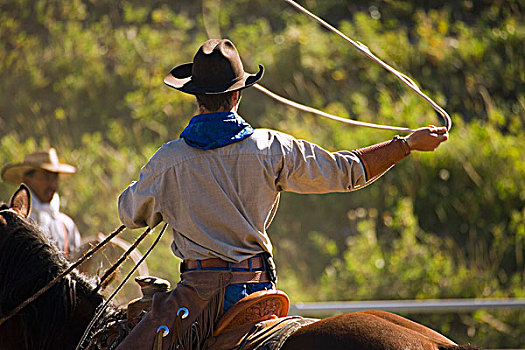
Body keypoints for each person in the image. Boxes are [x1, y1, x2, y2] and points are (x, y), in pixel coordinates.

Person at [116, 39, 448, 349]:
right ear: (237, 96)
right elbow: (348, 171)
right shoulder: (271, 147)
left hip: (199, 300)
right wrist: (405, 145)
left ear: (196, 96)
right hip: (260, 292)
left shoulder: (169, 160)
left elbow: (129, 214)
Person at [1, 148, 82, 258]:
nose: (53, 185)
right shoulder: (9, 223)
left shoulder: (66, 225)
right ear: (27, 179)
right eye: (46, 177)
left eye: (55, 178)